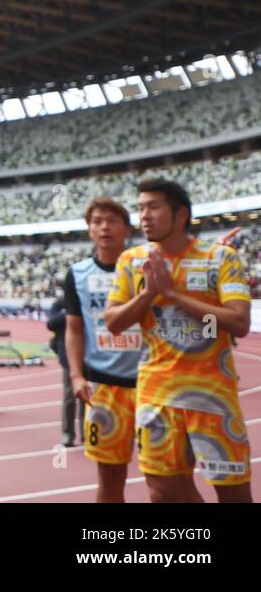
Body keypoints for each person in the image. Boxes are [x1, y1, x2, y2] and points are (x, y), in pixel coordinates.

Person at [105, 178, 252, 503]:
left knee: (234, 494)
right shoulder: (131, 261)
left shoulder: (220, 258)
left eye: (154, 207)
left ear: (181, 214)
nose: (144, 215)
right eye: (141, 208)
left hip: (212, 396)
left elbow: (238, 323)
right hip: (156, 394)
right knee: (163, 492)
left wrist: (174, 295)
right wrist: (147, 296)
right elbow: (114, 323)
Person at [63, 196, 139, 501]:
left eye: (111, 221)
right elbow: (74, 328)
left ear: (126, 228)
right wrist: (76, 376)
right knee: (109, 477)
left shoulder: (144, 267)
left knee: (167, 476)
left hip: (150, 384)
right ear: (89, 230)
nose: (104, 227)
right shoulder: (77, 274)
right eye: (97, 222)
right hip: (104, 388)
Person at [46, 285, 82, 447]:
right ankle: (68, 433)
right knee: (69, 395)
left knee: (86, 396)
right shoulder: (60, 304)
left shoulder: (84, 300)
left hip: (87, 352)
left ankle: (86, 433)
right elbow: (51, 323)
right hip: (67, 354)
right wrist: (70, 311)